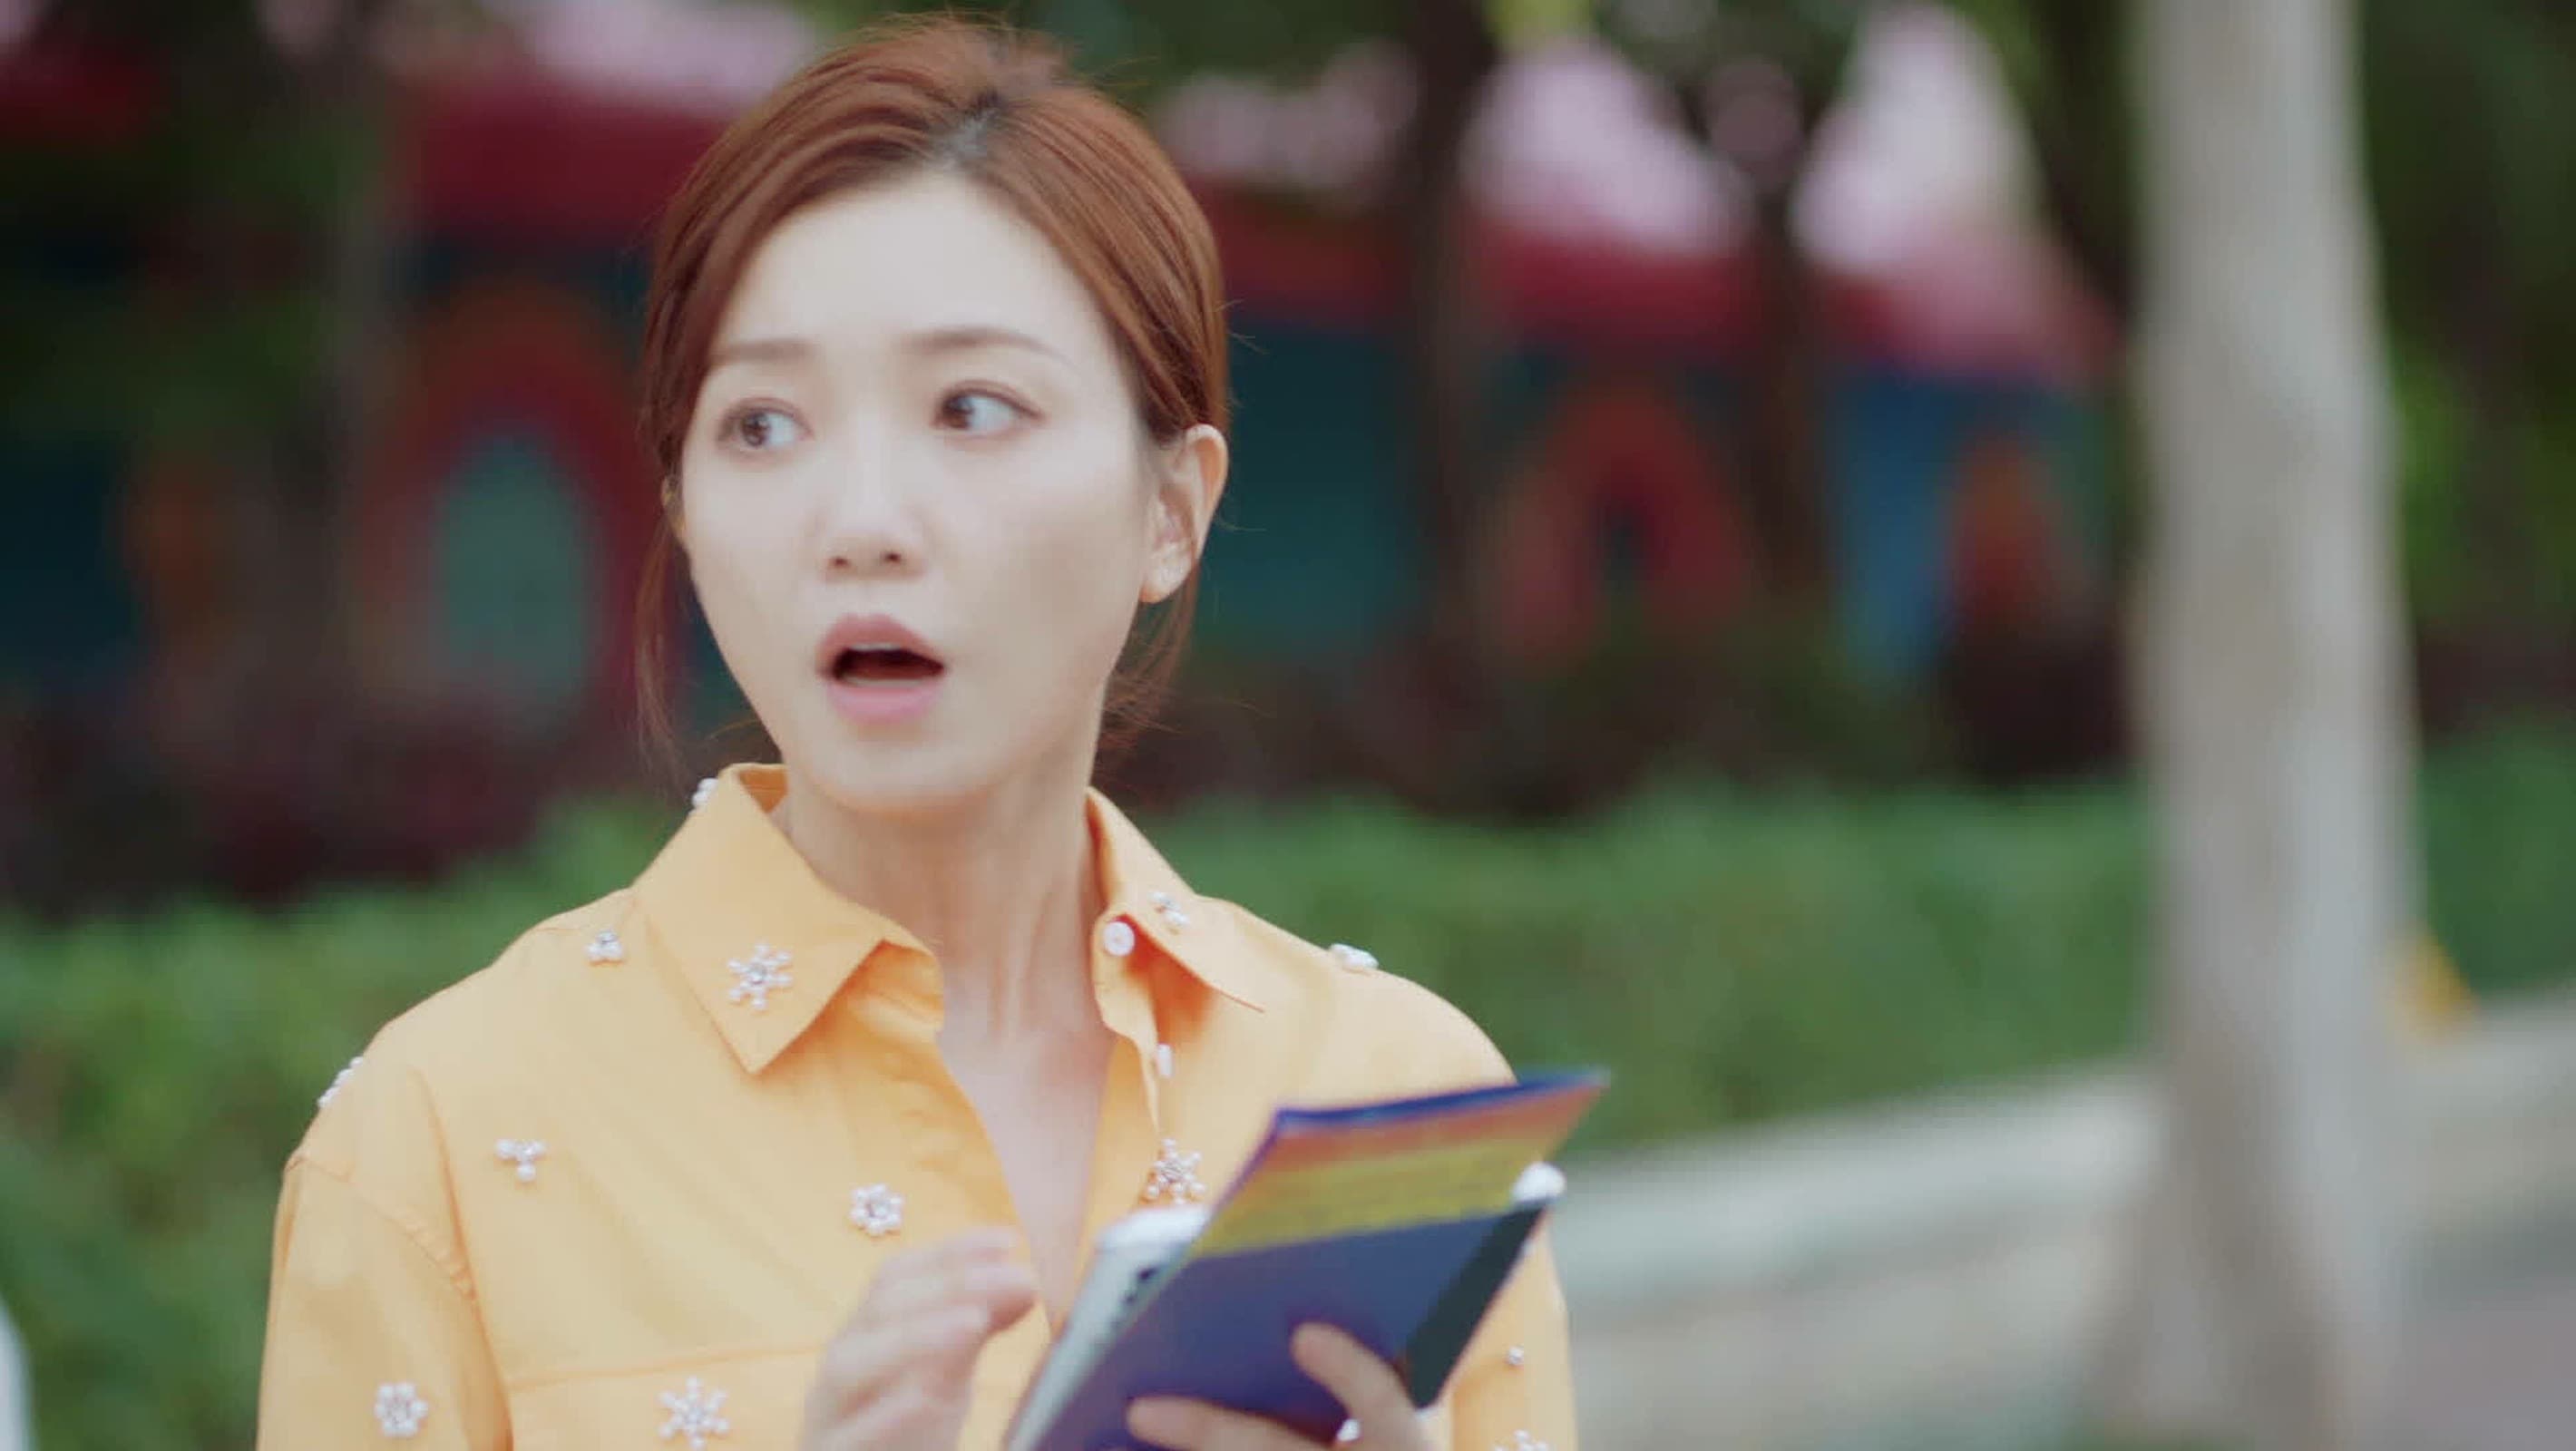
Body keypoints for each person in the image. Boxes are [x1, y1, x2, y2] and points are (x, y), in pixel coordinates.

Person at [256, 19, 1574, 1450]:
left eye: (973, 407)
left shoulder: (1391, 1102)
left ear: (1171, 510)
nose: (862, 521)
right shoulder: (438, 1144)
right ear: (683, 507)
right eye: (764, 425)